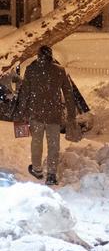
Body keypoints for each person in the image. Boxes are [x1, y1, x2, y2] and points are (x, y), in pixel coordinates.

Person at [14, 45, 77, 185]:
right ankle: (51, 174)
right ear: (51, 55)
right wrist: (71, 115)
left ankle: (36, 169)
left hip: (36, 114)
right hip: (53, 115)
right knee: (53, 144)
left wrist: (20, 112)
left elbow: (24, 93)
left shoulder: (31, 70)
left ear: (38, 55)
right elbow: (68, 94)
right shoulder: (59, 71)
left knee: (36, 142)